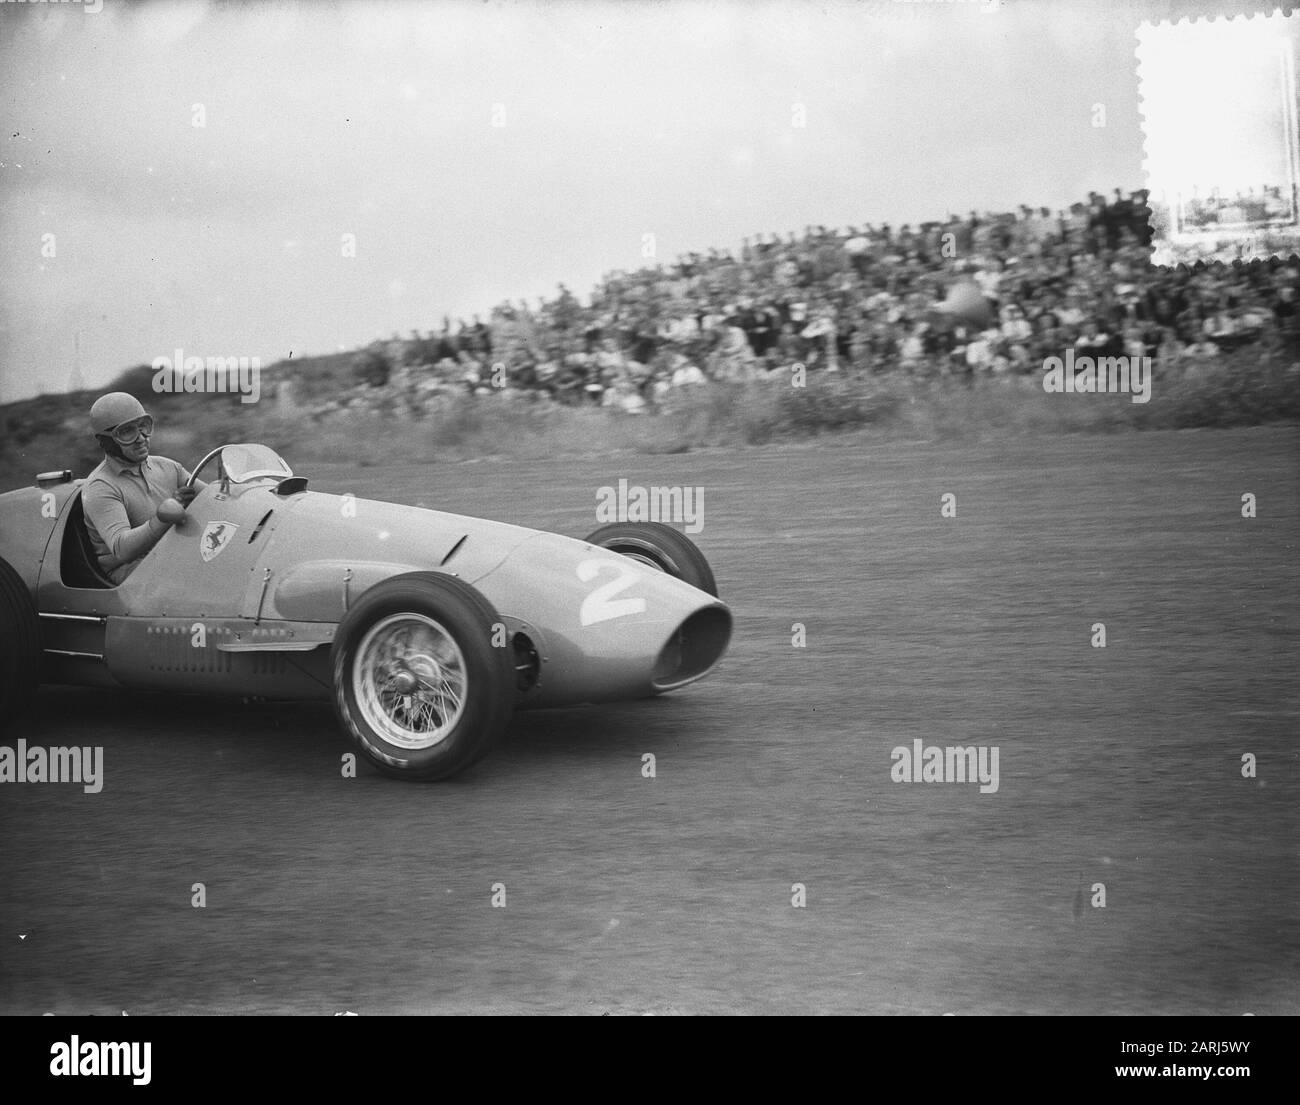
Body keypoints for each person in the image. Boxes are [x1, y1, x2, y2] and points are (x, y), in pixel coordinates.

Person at [82, 392, 201, 584]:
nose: (141, 438)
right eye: (127, 432)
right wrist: (162, 517)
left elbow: (214, 496)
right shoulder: (100, 486)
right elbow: (122, 548)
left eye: (143, 427)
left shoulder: (168, 466)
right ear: (106, 441)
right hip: (131, 575)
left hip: (171, 555)